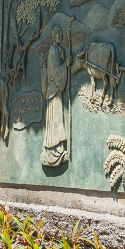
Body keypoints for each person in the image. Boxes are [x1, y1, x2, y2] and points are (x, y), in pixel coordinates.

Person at [41, 26, 71, 167]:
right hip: (54, 92)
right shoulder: (53, 51)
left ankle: (57, 150)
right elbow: (55, 71)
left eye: (61, 34)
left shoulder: (56, 50)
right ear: (53, 36)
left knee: (56, 119)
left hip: (56, 90)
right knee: (56, 119)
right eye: (58, 34)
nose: (60, 36)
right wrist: (66, 65)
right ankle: (55, 151)